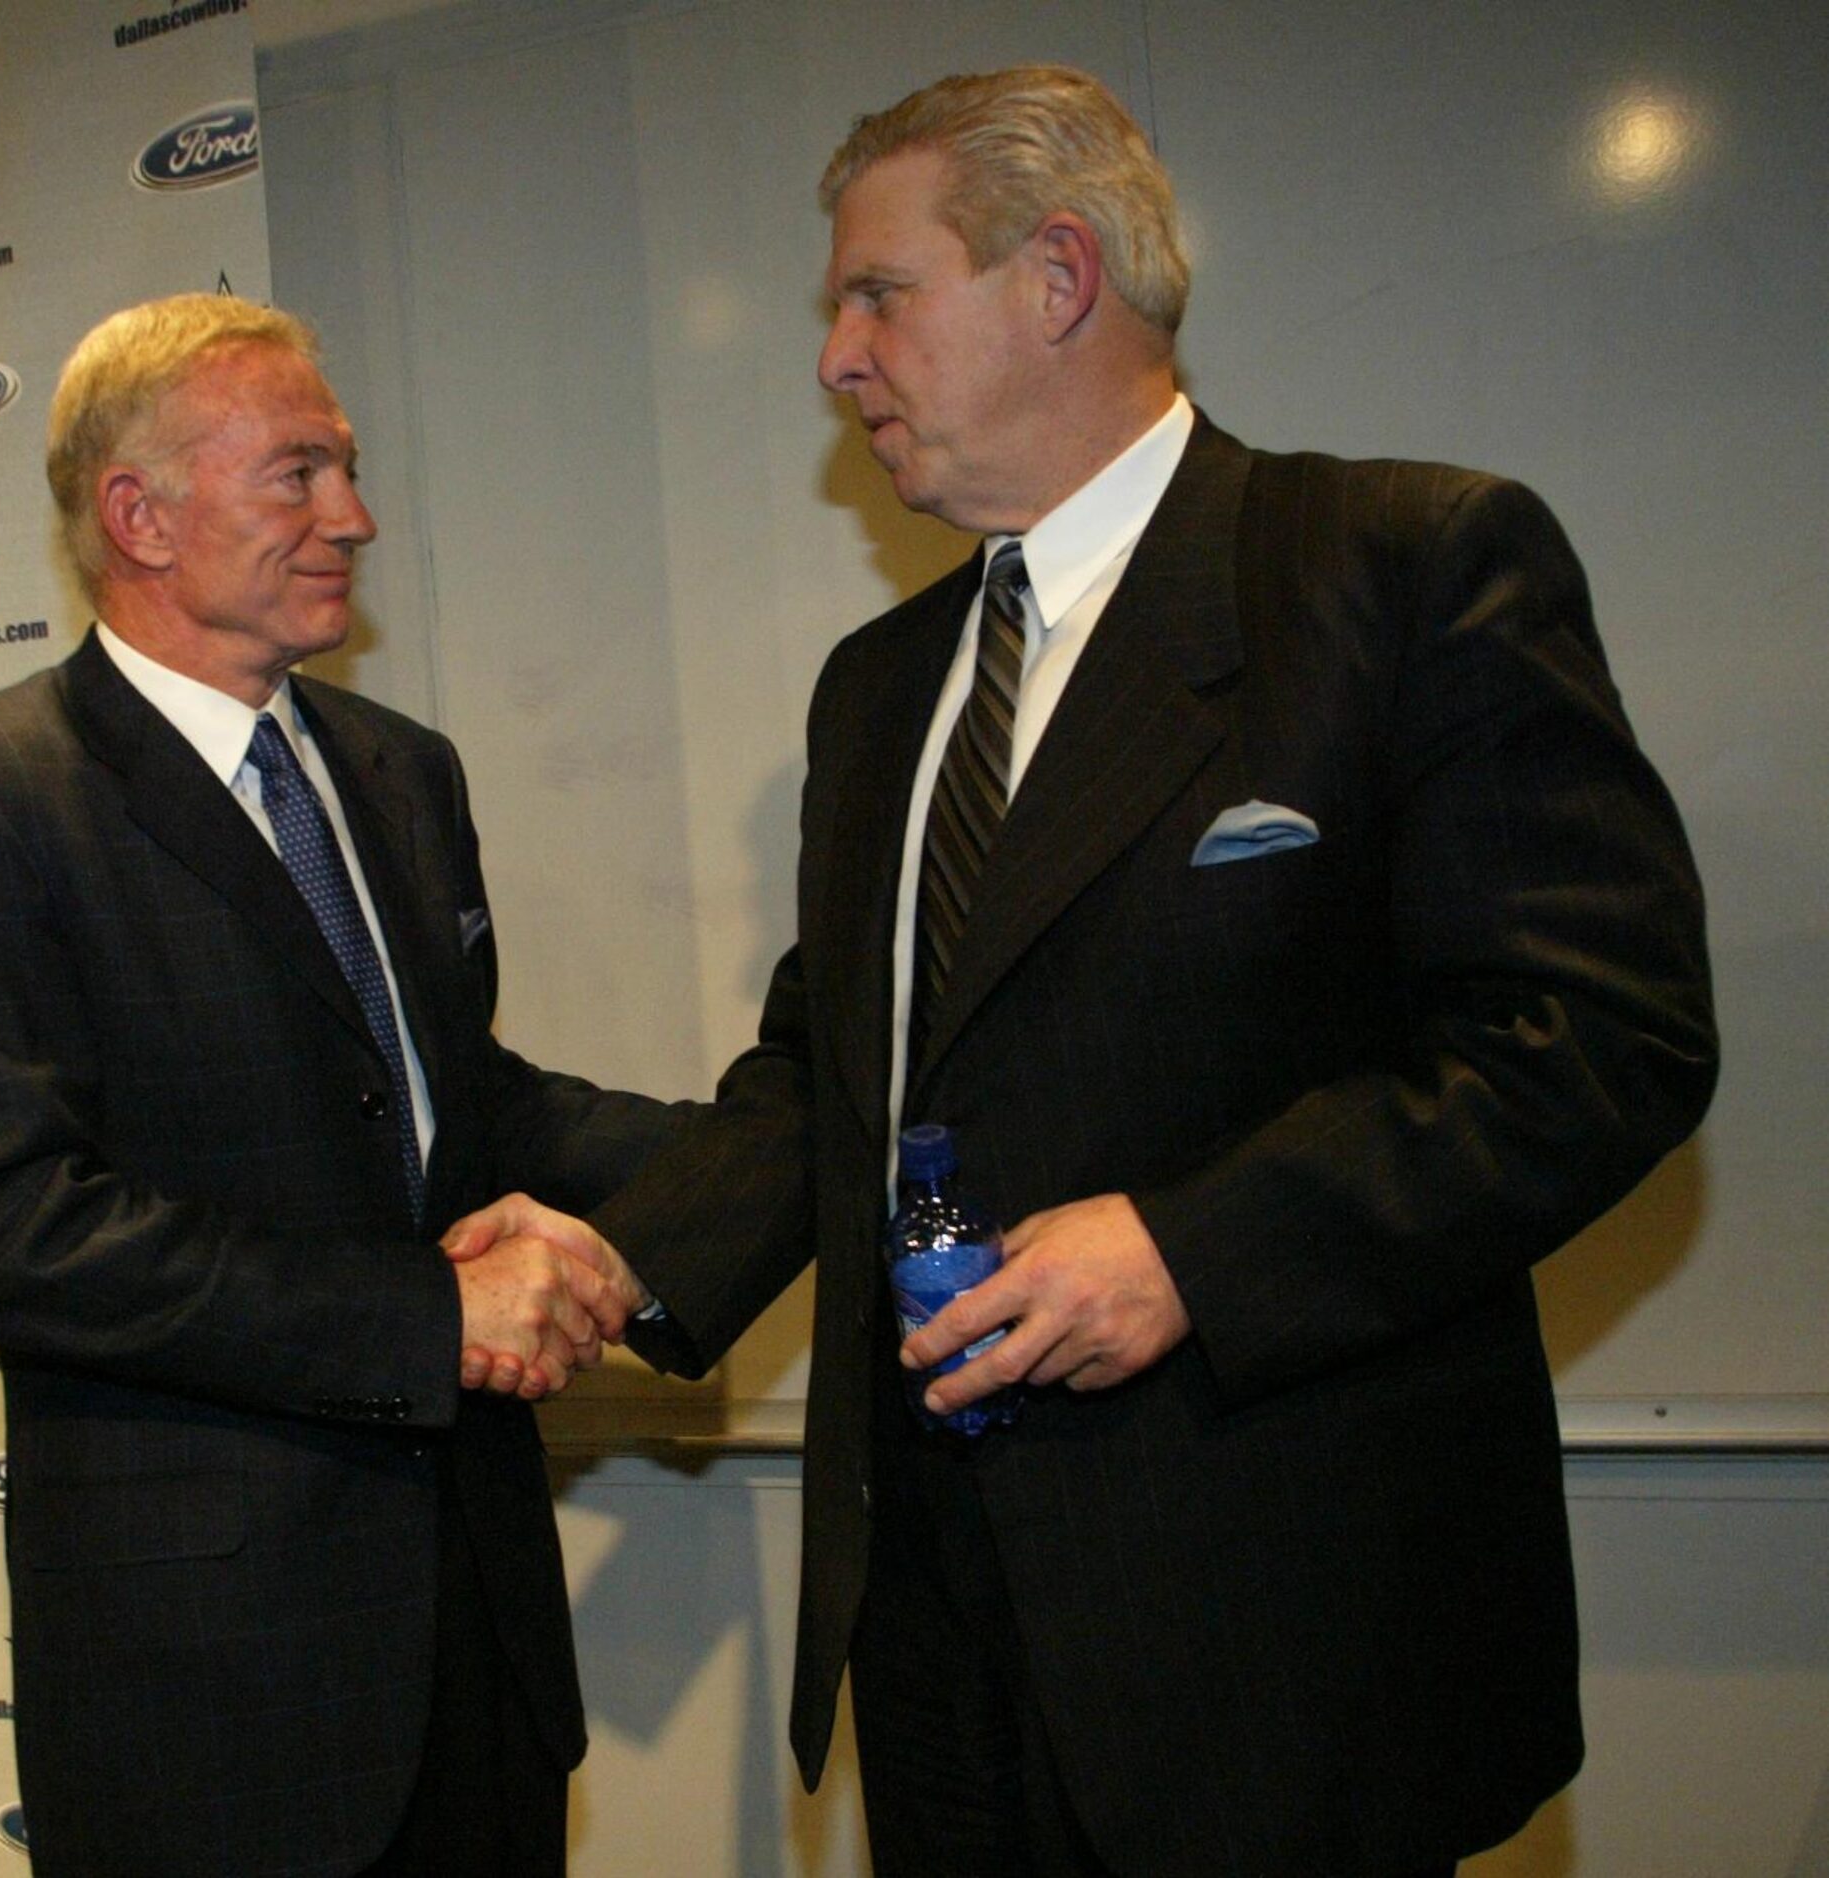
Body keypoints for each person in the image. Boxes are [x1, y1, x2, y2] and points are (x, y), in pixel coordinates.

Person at [453, 65, 1718, 1878]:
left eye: (876, 293)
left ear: (1055, 278)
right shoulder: (882, 688)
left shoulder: (1391, 567)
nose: (833, 355)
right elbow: (838, 1072)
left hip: (1274, 1646)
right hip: (938, 1634)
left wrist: (1195, 1249)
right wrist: (628, 1251)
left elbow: (1596, 1037)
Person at [0, 294, 673, 1878]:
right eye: (297, 472)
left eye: (347, 469)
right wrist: (426, 1321)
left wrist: (796, 1138)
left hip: (477, 1643)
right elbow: (1, 1223)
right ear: (136, 514)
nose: (351, 518)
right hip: (210, 1695)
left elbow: (459, 1110)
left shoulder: (398, 769)